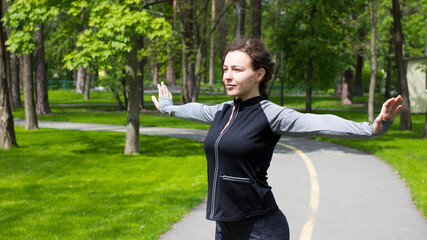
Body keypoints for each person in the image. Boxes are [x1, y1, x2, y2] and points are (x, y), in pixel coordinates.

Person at [151, 38, 402, 240]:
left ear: (259, 74)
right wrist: (168, 108)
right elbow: (194, 109)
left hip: (261, 228)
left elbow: (319, 122)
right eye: (226, 69)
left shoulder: (271, 114)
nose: (228, 75)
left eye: (237, 69)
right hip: (224, 226)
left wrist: (372, 128)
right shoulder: (223, 111)